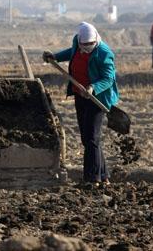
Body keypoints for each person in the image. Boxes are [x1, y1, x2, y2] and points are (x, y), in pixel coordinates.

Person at [43, 22, 119, 187]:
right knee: (88, 138)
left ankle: (92, 178)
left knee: (91, 138)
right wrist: (55, 57)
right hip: (80, 95)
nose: (85, 49)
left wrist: (93, 87)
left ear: (95, 41)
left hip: (97, 99)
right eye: (82, 46)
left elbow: (108, 79)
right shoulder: (77, 43)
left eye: (89, 46)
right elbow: (71, 53)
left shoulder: (104, 54)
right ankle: (103, 175)